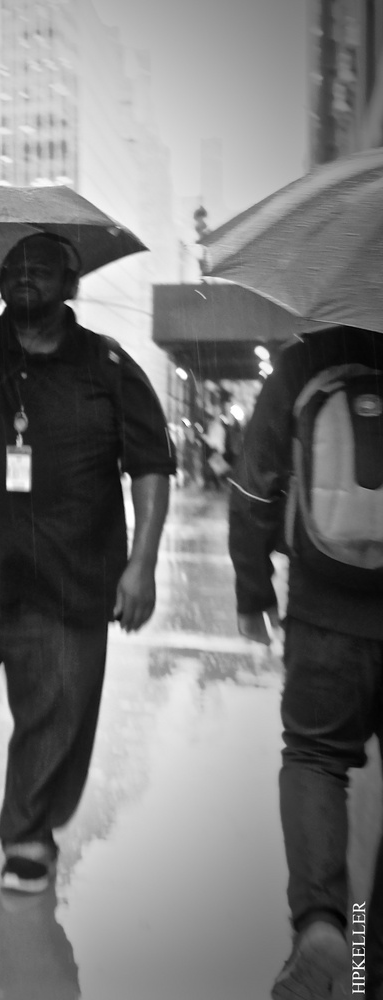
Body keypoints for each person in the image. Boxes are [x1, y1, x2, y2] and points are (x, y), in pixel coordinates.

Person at [0, 232, 176, 891]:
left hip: (65, 581)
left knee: (59, 710)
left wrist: (142, 564)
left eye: (40, 269)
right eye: (13, 268)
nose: (23, 278)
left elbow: (152, 465)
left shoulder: (107, 365)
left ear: (70, 285)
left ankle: (27, 830)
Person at [229, 324, 383, 1000]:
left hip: (328, 608)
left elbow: (256, 485)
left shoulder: (306, 359)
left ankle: (324, 922)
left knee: (318, 759)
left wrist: (252, 586)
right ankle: (369, 964)